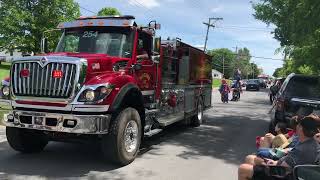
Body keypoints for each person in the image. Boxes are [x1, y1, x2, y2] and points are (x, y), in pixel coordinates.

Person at [238, 114, 320, 180]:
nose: (297, 126)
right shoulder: (309, 141)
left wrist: (272, 163)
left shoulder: (303, 148)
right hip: (286, 168)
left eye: (299, 125)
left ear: (301, 128)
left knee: (243, 168)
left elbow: (284, 167)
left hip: (285, 174)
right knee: (250, 158)